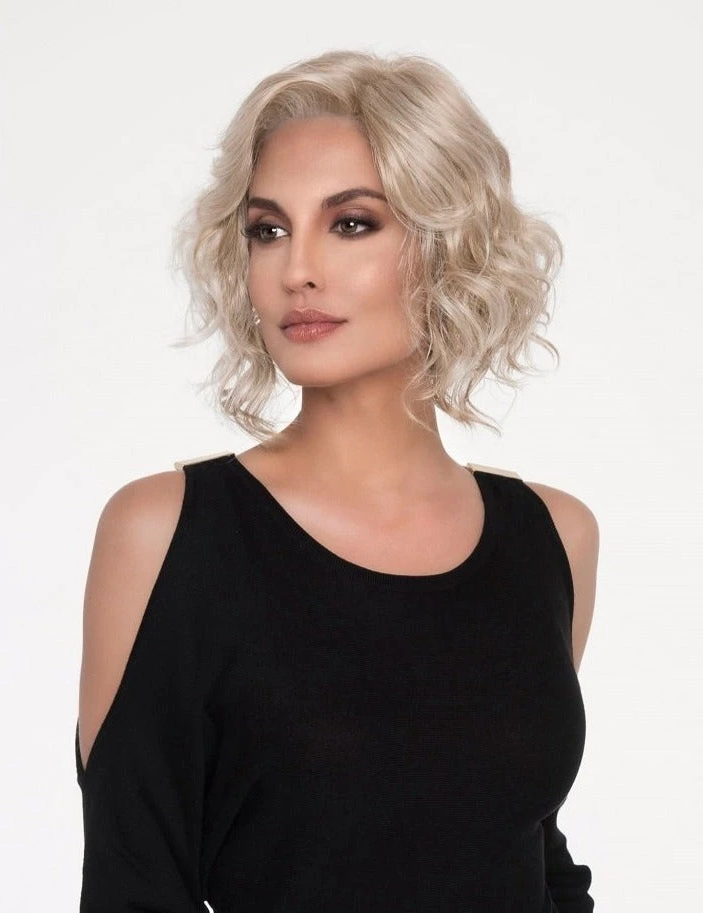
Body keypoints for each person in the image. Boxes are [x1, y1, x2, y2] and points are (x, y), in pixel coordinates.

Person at [75, 49, 598, 912]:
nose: (296, 270)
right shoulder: (166, 532)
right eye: (268, 230)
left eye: (352, 223)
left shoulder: (553, 537)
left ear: (448, 245)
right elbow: (134, 887)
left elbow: (525, 852)